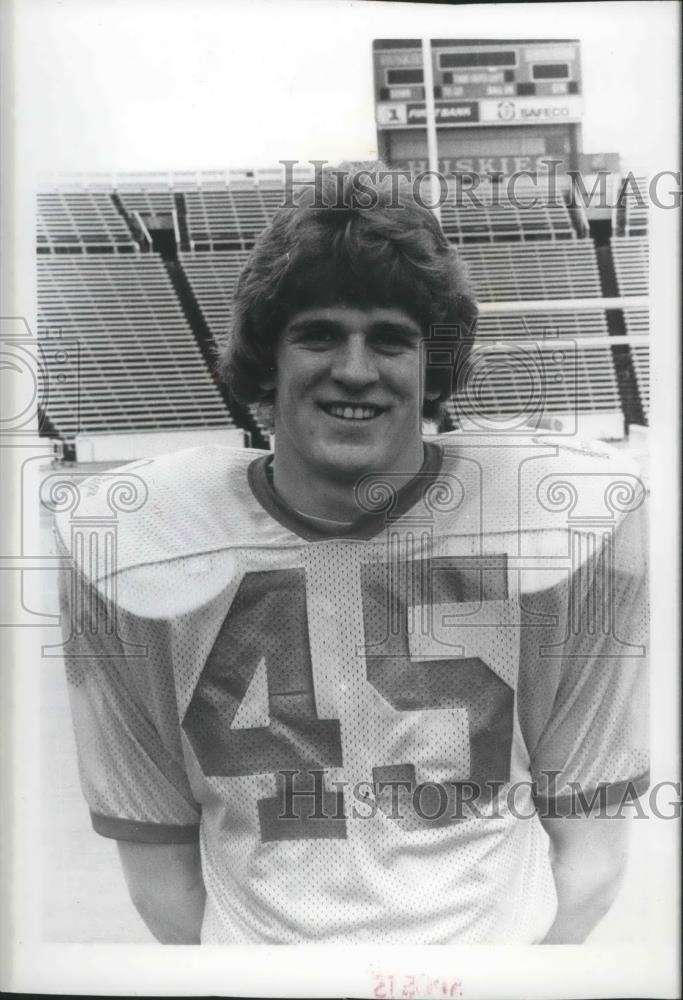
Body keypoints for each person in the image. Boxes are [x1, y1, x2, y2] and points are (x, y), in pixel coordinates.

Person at [54, 163, 649, 945]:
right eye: (319, 334)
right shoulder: (137, 536)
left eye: (392, 340)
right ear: (268, 357)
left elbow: (593, 850)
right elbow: (161, 873)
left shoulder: (559, 515)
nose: (357, 369)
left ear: (430, 364)